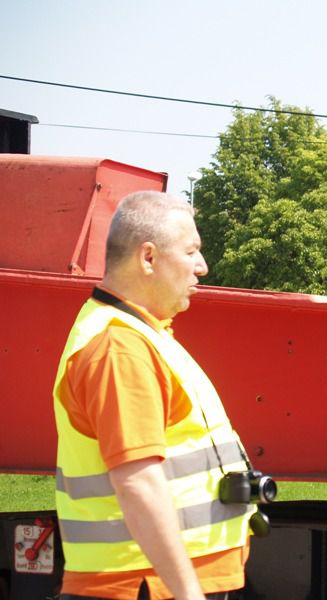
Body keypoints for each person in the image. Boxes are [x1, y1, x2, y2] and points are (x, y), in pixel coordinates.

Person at [53, 191, 255, 600]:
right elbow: (138, 484)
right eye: (191, 251)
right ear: (148, 258)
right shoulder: (121, 348)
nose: (202, 266)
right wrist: (188, 594)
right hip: (145, 585)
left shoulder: (141, 334)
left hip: (151, 581)